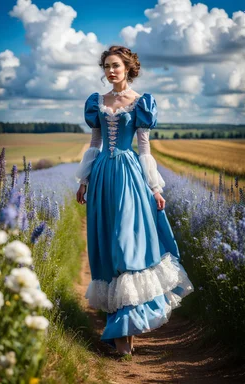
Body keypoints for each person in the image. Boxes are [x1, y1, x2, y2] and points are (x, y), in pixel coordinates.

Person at [75, 46, 194, 357]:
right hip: (102, 176)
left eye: (116, 65)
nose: (110, 71)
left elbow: (144, 149)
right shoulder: (97, 102)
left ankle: (127, 327)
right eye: (106, 66)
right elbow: (95, 142)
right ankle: (121, 335)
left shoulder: (142, 102)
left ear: (128, 68)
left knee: (126, 246)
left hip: (129, 177)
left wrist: (155, 188)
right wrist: (84, 181)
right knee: (107, 248)